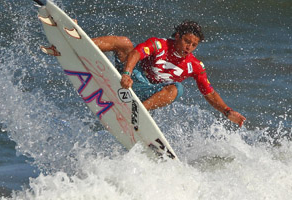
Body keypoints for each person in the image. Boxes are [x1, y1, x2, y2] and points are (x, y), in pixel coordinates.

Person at [92, 20, 246, 127]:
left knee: (177, 89)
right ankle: (77, 39)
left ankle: (136, 112)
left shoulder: (195, 66)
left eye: (194, 45)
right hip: (132, 77)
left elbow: (209, 93)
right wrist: (126, 73)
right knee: (124, 43)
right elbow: (137, 53)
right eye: (187, 41)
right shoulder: (160, 44)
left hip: (149, 93)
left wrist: (227, 112)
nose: (189, 47)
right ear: (177, 36)